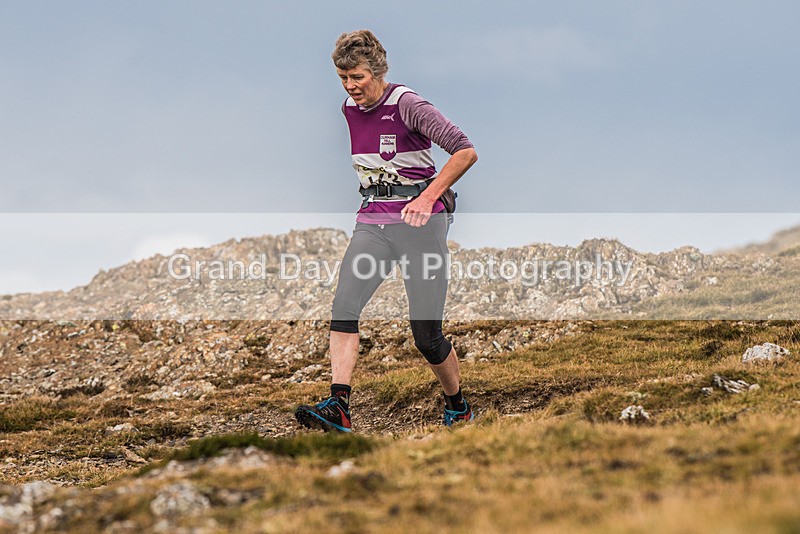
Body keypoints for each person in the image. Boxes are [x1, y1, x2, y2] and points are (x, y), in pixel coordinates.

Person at [295, 29, 478, 433]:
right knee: (344, 308)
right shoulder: (348, 108)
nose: (350, 86)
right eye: (343, 77)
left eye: (357, 77)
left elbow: (465, 151)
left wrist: (427, 198)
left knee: (426, 335)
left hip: (420, 225)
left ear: (376, 71)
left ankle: (458, 405)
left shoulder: (407, 104)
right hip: (373, 221)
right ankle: (339, 405)